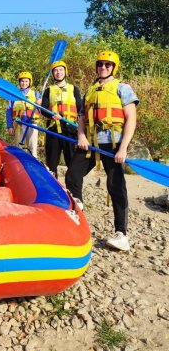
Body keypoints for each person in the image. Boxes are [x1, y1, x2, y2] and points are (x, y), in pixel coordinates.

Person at [65, 51, 138, 252]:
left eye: (107, 65)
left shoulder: (123, 88)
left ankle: (121, 234)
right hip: (91, 143)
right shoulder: (90, 90)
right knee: (72, 175)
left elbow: (131, 118)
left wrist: (123, 148)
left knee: (115, 186)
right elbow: (81, 117)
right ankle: (77, 206)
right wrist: (81, 136)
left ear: (113, 67)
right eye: (100, 64)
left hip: (113, 143)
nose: (103, 68)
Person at [41, 61, 82, 177]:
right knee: (51, 163)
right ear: (53, 74)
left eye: (61, 70)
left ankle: (73, 189)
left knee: (72, 162)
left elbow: (80, 109)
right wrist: (51, 114)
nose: (58, 72)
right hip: (53, 130)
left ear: (65, 72)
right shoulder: (49, 90)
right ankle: (54, 189)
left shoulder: (74, 89)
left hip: (70, 129)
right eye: (55, 70)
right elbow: (43, 109)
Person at [6, 71, 41, 157]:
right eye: (22, 81)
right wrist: (10, 126)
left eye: (26, 81)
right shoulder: (13, 95)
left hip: (32, 124)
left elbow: (41, 110)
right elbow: (9, 110)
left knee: (32, 148)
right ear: (19, 82)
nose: (24, 83)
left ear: (30, 82)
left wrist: (39, 103)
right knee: (18, 148)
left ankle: (34, 166)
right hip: (19, 124)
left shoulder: (36, 94)